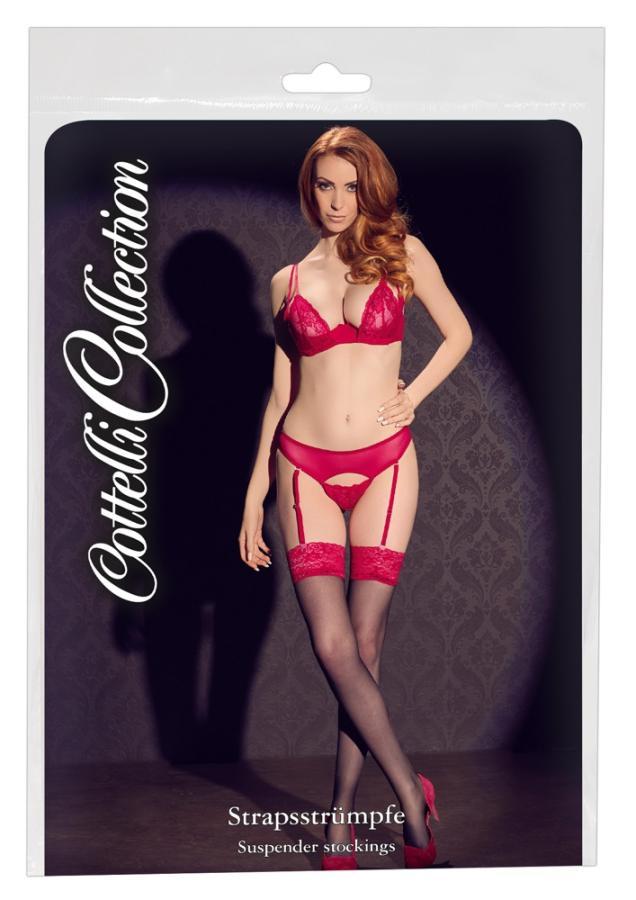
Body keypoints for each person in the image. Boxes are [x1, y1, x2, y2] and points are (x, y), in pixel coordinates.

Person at [239, 126, 472, 869]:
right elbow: (281, 391)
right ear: (310, 190)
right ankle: (410, 796)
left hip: (385, 465)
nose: (337, 200)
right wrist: (254, 491)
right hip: (302, 466)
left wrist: (413, 399)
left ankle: (340, 820)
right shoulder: (287, 281)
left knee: (365, 647)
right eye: (324, 185)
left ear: (370, 188)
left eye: (350, 185)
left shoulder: (404, 255)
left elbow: (458, 334)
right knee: (334, 647)